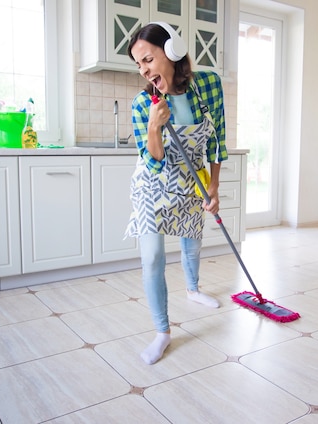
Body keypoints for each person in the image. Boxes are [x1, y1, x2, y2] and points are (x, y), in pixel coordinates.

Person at [125, 22, 228, 365]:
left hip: (189, 179)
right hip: (152, 185)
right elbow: (153, 161)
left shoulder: (209, 85)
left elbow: (217, 141)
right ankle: (162, 332)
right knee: (153, 256)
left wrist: (213, 186)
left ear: (172, 51)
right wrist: (155, 125)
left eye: (148, 59)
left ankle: (193, 289)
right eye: (139, 64)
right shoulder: (144, 104)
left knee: (192, 241)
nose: (144, 70)